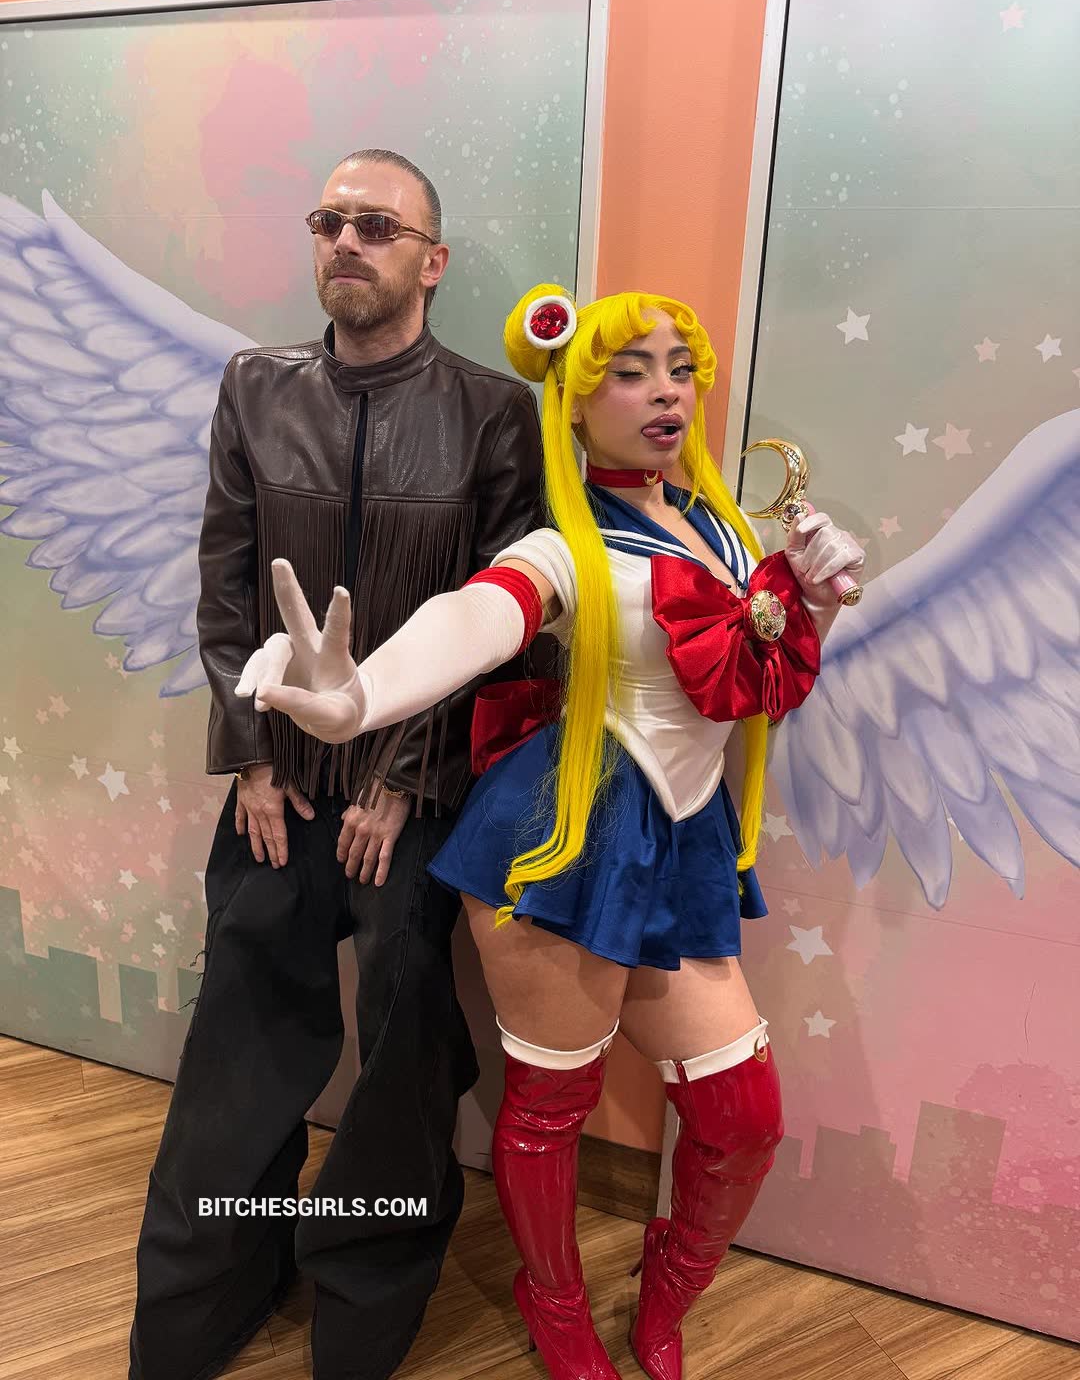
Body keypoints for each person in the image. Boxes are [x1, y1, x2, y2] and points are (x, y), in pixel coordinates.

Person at [241, 284, 866, 1380]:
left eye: (680, 368)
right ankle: (555, 1300)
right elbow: (478, 615)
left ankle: (668, 1292)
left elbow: (746, 677)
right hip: (568, 835)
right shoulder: (563, 546)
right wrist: (362, 695)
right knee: (550, 1106)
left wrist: (807, 601)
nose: (665, 391)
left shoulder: (723, 525)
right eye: (630, 372)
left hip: (684, 838)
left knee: (741, 1117)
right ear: (573, 401)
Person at [128, 153, 546, 1380]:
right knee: (240, 1047)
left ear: (433, 258)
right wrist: (254, 760)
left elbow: (502, 618)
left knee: (403, 1063)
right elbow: (224, 589)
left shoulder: (491, 412)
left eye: (376, 224)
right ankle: (212, 1288)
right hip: (277, 788)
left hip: (409, 799)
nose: (347, 242)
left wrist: (403, 777)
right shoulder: (255, 387)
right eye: (330, 222)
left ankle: (362, 1306)